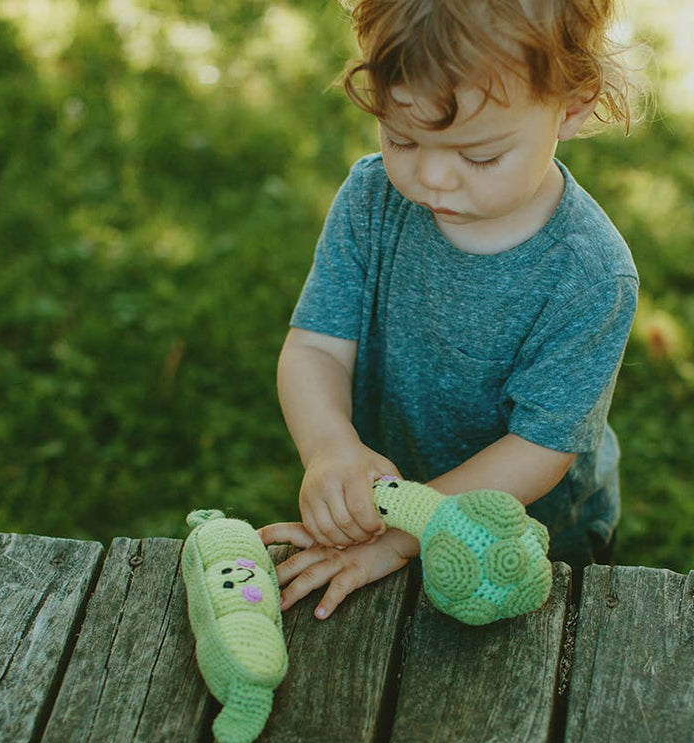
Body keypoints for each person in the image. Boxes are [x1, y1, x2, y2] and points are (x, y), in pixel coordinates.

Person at [260, 0, 641, 620]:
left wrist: (405, 536)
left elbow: (538, 448)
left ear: (571, 107)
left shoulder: (589, 274)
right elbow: (315, 348)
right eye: (401, 138)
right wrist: (330, 446)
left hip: (524, 542)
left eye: (480, 155)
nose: (432, 176)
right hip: (380, 509)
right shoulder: (373, 200)